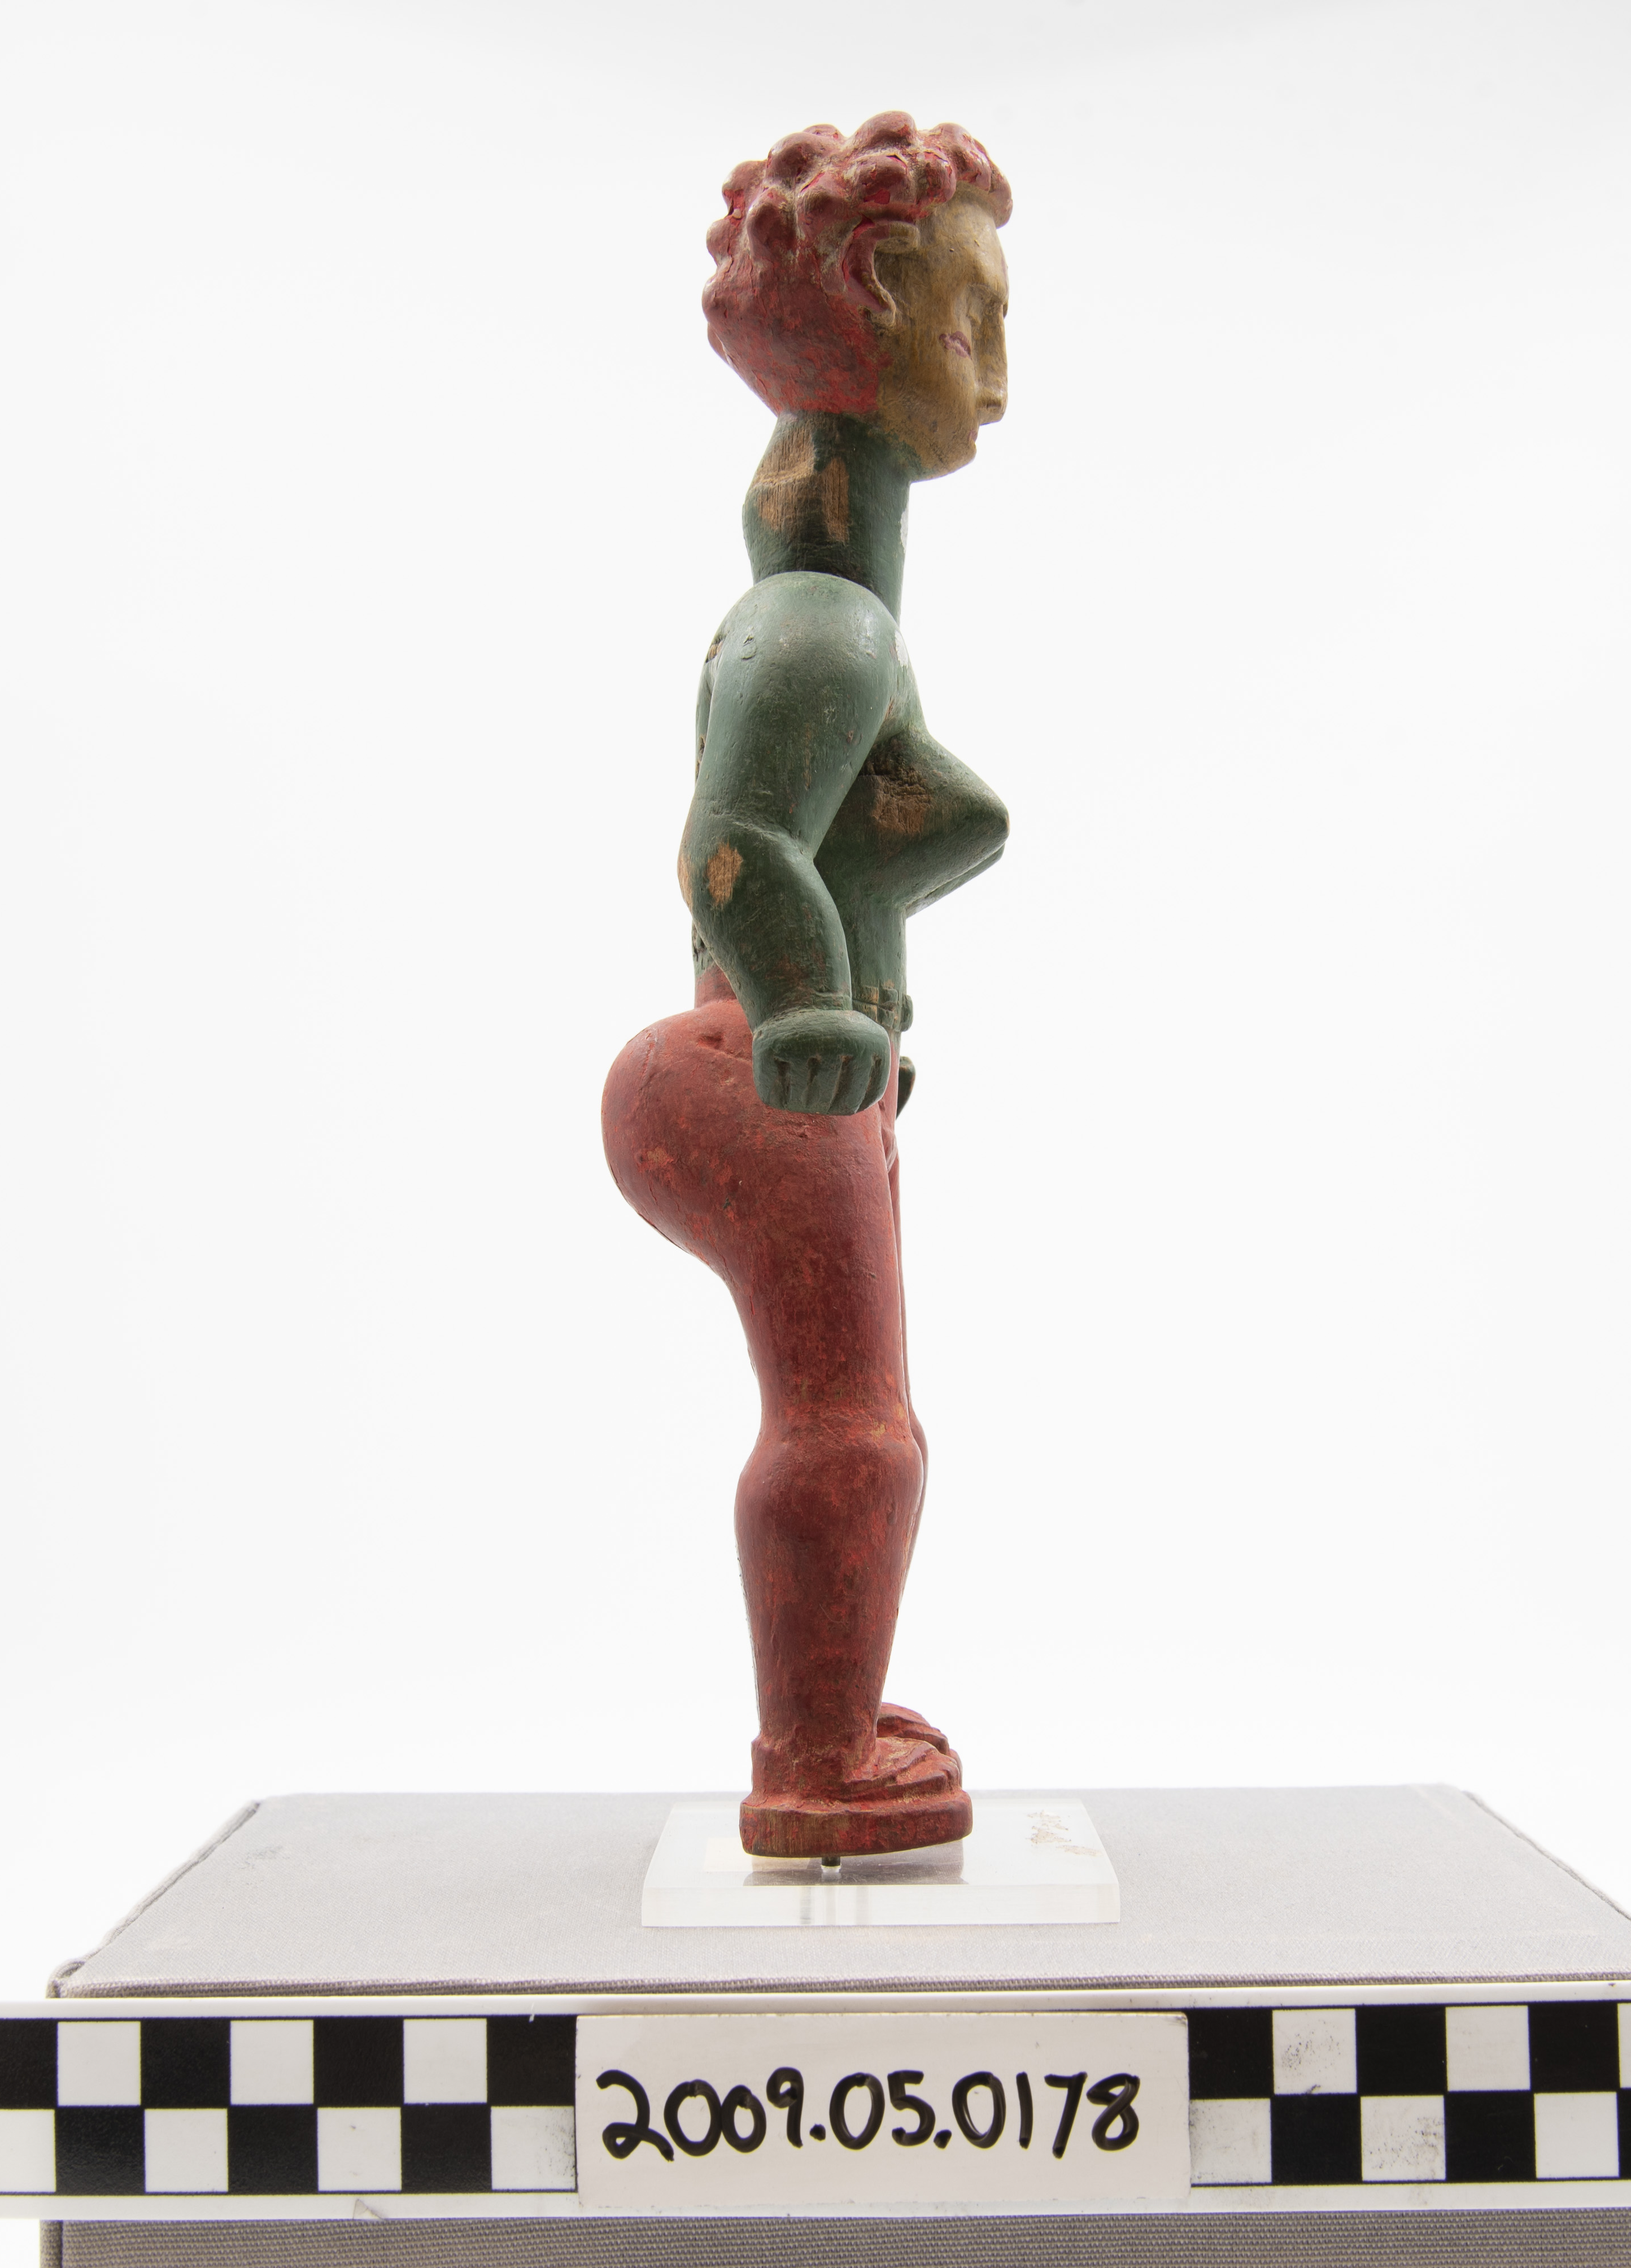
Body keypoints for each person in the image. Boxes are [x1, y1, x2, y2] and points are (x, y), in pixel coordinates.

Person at [602, 114, 1011, 1859]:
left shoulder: (828, 615)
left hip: (787, 1073)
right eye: (969, 320)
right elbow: (731, 843)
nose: (996, 378)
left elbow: (844, 837)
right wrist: (809, 1013)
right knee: (857, 1427)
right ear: (872, 303)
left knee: (857, 1416)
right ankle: (815, 1767)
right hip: (756, 1069)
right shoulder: (825, 629)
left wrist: (857, 994)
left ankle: (834, 1713)